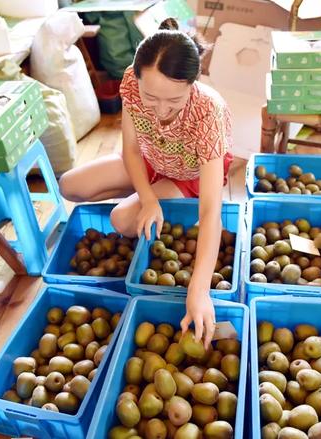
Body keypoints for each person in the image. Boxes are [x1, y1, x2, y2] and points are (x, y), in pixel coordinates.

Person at [59, 18, 233, 348]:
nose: (162, 110)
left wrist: (199, 290)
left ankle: (168, 201)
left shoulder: (209, 111)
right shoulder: (130, 82)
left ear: (192, 84)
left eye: (174, 101)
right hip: (152, 160)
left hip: (189, 176)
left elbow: (211, 211)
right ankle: (154, 198)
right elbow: (131, 149)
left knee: (122, 220)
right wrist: (149, 199)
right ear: (136, 78)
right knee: (70, 186)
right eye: (151, 98)